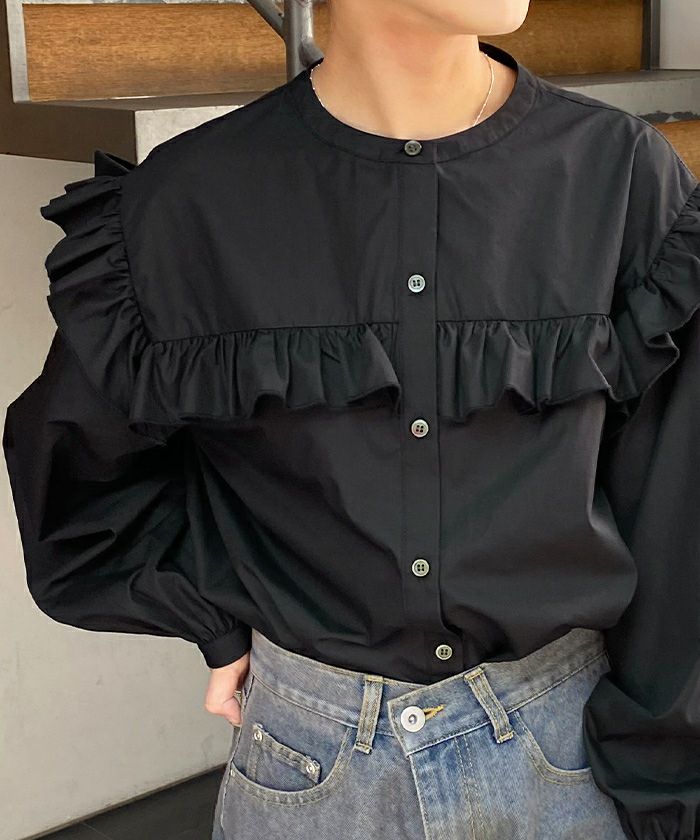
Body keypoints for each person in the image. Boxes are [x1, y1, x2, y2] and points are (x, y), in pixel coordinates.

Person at [3, 1, 699, 838]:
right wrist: (214, 619)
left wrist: (667, 782)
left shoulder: (620, 173)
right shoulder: (190, 197)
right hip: (309, 766)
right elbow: (80, 466)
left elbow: (675, 510)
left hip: (568, 758)